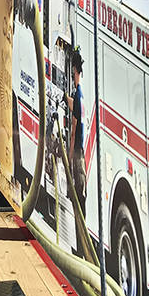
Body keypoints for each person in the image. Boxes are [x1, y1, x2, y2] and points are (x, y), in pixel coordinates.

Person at [64, 48, 86, 208]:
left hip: (77, 152)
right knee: (80, 190)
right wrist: (65, 98)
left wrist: (69, 154)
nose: (72, 77)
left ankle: (80, 226)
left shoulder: (78, 96)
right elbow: (76, 108)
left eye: (72, 73)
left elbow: (73, 130)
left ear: (76, 71)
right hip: (82, 152)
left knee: (77, 194)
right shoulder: (80, 95)